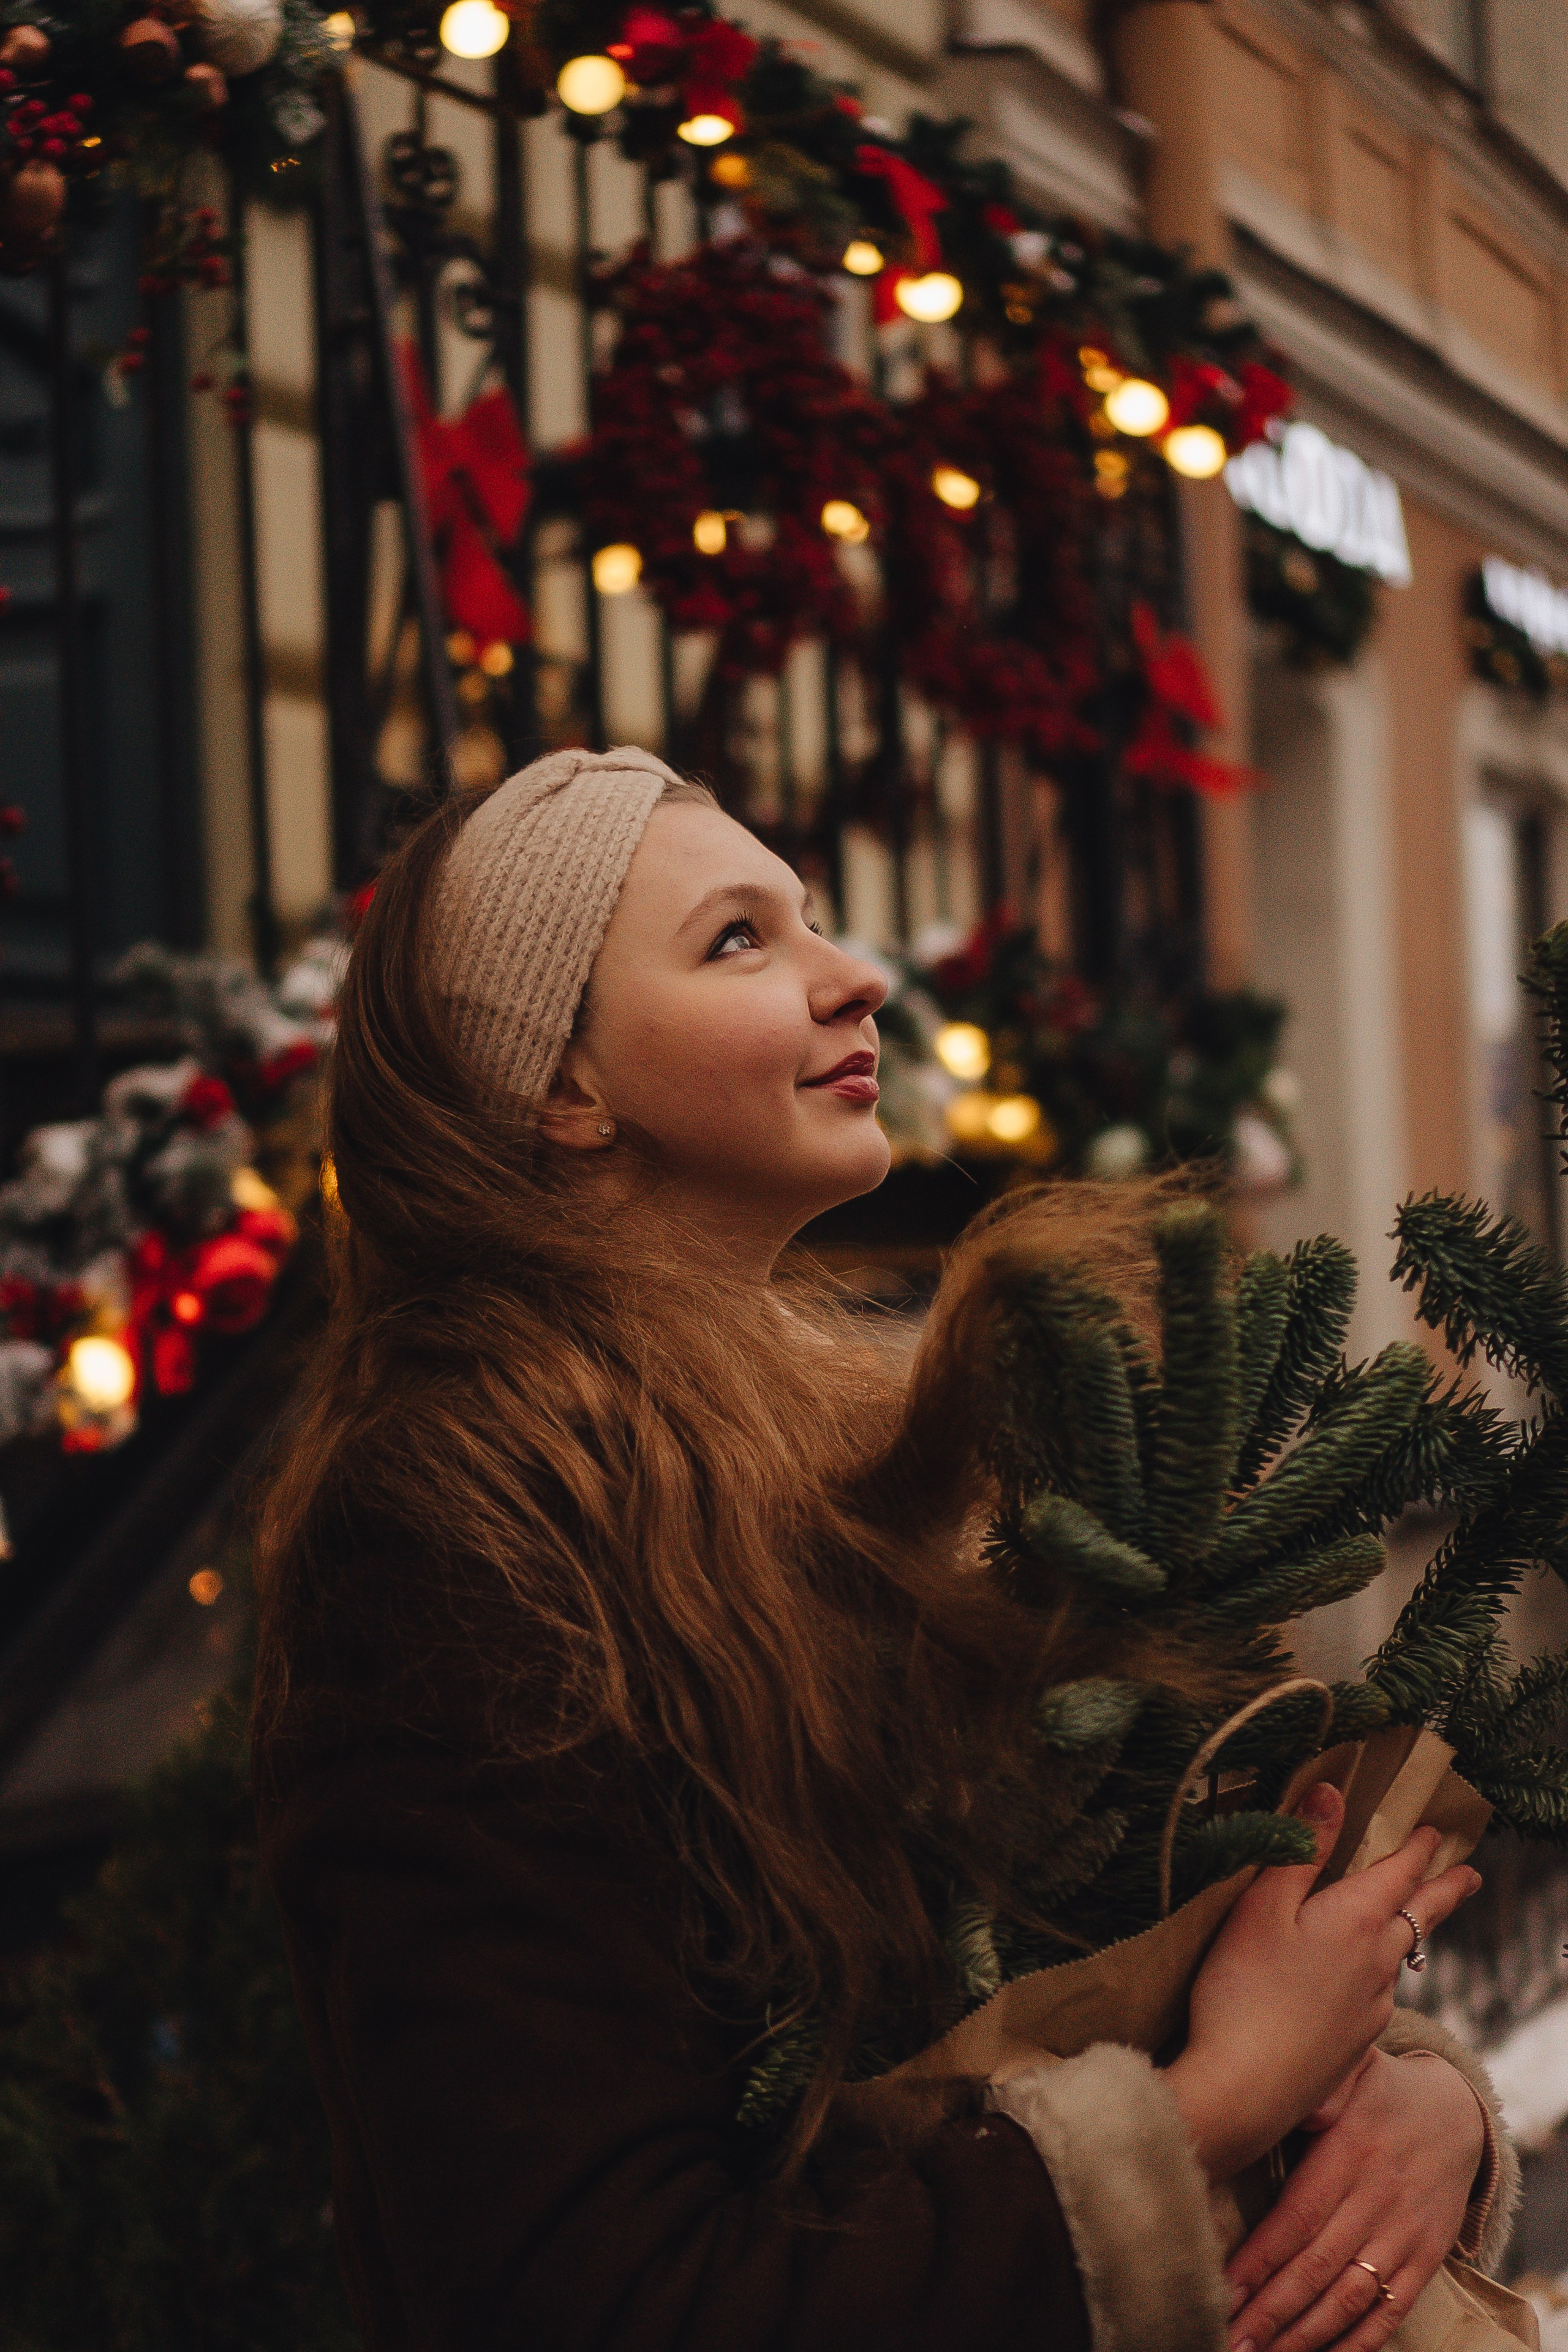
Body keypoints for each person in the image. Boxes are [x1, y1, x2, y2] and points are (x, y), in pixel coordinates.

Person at [255, 747, 1513, 2352]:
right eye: (739, 940)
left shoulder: (854, 1457)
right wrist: (1213, 2108)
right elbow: (595, 2291)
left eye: (810, 918)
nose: (855, 977)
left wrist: (1405, 2108)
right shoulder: (457, 1547)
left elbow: (1082, 1939)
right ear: (562, 1090)